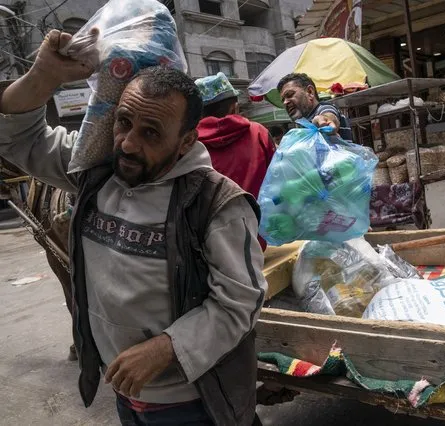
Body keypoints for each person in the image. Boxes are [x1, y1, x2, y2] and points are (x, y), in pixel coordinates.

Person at [0, 30, 266, 426]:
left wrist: (166, 348)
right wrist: (44, 76)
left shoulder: (216, 203)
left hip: (194, 404)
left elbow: (240, 303)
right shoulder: (93, 172)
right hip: (126, 396)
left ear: (186, 140)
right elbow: (18, 139)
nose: (126, 144)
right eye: (123, 122)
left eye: (151, 133)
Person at [195, 72, 275, 251]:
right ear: (234, 108)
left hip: (210, 247)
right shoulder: (258, 133)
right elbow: (277, 180)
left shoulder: (189, 145)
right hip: (257, 241)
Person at [277, 73, 353, 141]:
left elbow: (329, 115)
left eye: (290, 95)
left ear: (310, 92)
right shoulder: (304, 125)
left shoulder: (324, 108)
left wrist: (325, 121)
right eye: (283, 100)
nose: (285, 102)